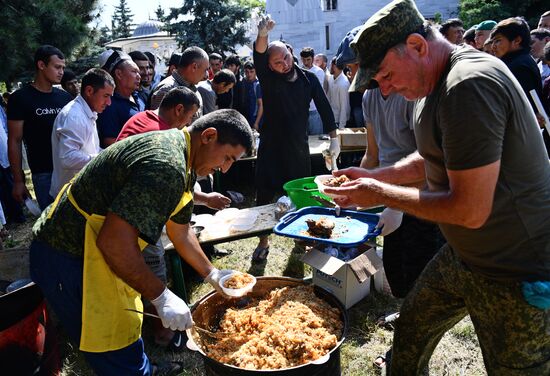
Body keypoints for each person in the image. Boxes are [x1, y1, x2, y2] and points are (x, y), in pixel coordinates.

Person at [325, 0, 550, 373]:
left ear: (417, 46)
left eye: (384, 74)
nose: (385, 87)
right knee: (411, 330)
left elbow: (469, 209)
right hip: (465, 255)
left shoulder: (468, 85)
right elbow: (434, 156)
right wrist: (375, 176)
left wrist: (380, 195)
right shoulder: (431, 87)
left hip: (515, 268)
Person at [30, 109, 254, 375]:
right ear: (208, 136)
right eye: (227, 157)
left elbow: (180, 231)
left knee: (124, 324)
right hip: (66, 255)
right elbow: (114, 243)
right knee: (110, 344)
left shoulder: (187, 158)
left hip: (98, 252)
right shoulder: (166, 165)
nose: (226, 168)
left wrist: (212, 273)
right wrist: (161, 295)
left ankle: (142, 367)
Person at [252, 16, 340, 261]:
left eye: (286, 58)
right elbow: (259, 55)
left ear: (292, 53)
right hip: (271, 146)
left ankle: (303, 235)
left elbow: (323, 107)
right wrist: (262, 35)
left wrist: (334, 139)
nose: (284, 65)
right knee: (265, 193)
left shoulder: (309, 79)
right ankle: (263, 239)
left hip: (297, 147)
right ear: (269, 67)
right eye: (277, 62)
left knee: (300, 194)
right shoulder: (268, 79)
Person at [7, 45, 73, 210]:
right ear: (41, 65)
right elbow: (14, 141)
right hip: (43, 173)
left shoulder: (65, 98)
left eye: (63, 68)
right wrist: (18, 180)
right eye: (57, 67)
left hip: (70, 169)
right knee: (53, 227)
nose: (61, 72)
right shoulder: (20, 98)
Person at [50, 68, 114, 197]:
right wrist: (103, 159)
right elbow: (67, 158)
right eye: (106, 96)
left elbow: (90, 150)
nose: (109, 103)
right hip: (69, 197)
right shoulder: (74, 116)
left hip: (80, 192)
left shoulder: (87, 111)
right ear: (89, 91)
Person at [490, 17, 547, 157]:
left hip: (520, 141)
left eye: (498, 40)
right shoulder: (517, 62)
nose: (493, 46)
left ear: (517, 40)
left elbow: (522, 110)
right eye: (492, 42)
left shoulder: (518, 67)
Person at [96, 50, 142, 148]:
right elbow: (111, 144)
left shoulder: (138, 97)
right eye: (134, 71)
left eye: (138, 72)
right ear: (119, 74)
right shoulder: (109, 105)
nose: (139, 76)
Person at [150, 46, 209, 116]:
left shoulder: (193, 88)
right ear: (194, 67)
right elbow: (160, 124)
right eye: (205, 70)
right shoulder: (167, 90)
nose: (206, 75)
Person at [300, 47, 328, 135]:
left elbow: (315, 91)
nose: (306, 62)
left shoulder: (318, 72)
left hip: (315, 110)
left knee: (316, 137)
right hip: (303, 110)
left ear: (312, 58)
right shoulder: (299, 71)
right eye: (304, 60)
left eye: (308, 59)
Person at [327, 57, 350, 129]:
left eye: (331, 65)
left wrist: (341, 127)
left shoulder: (344, 83)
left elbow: (344, 107)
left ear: (334, 66)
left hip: (340, 122)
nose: (329, 67)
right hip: (331, 119)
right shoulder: (330, 78)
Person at [242, 61, 264, 130]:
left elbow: (260, 105)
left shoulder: (257, 85)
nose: (249, 74)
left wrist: (256, 123)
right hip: (246, 116)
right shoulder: (243, 82)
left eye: (252, 71)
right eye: (247, 72)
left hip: (255, 117)